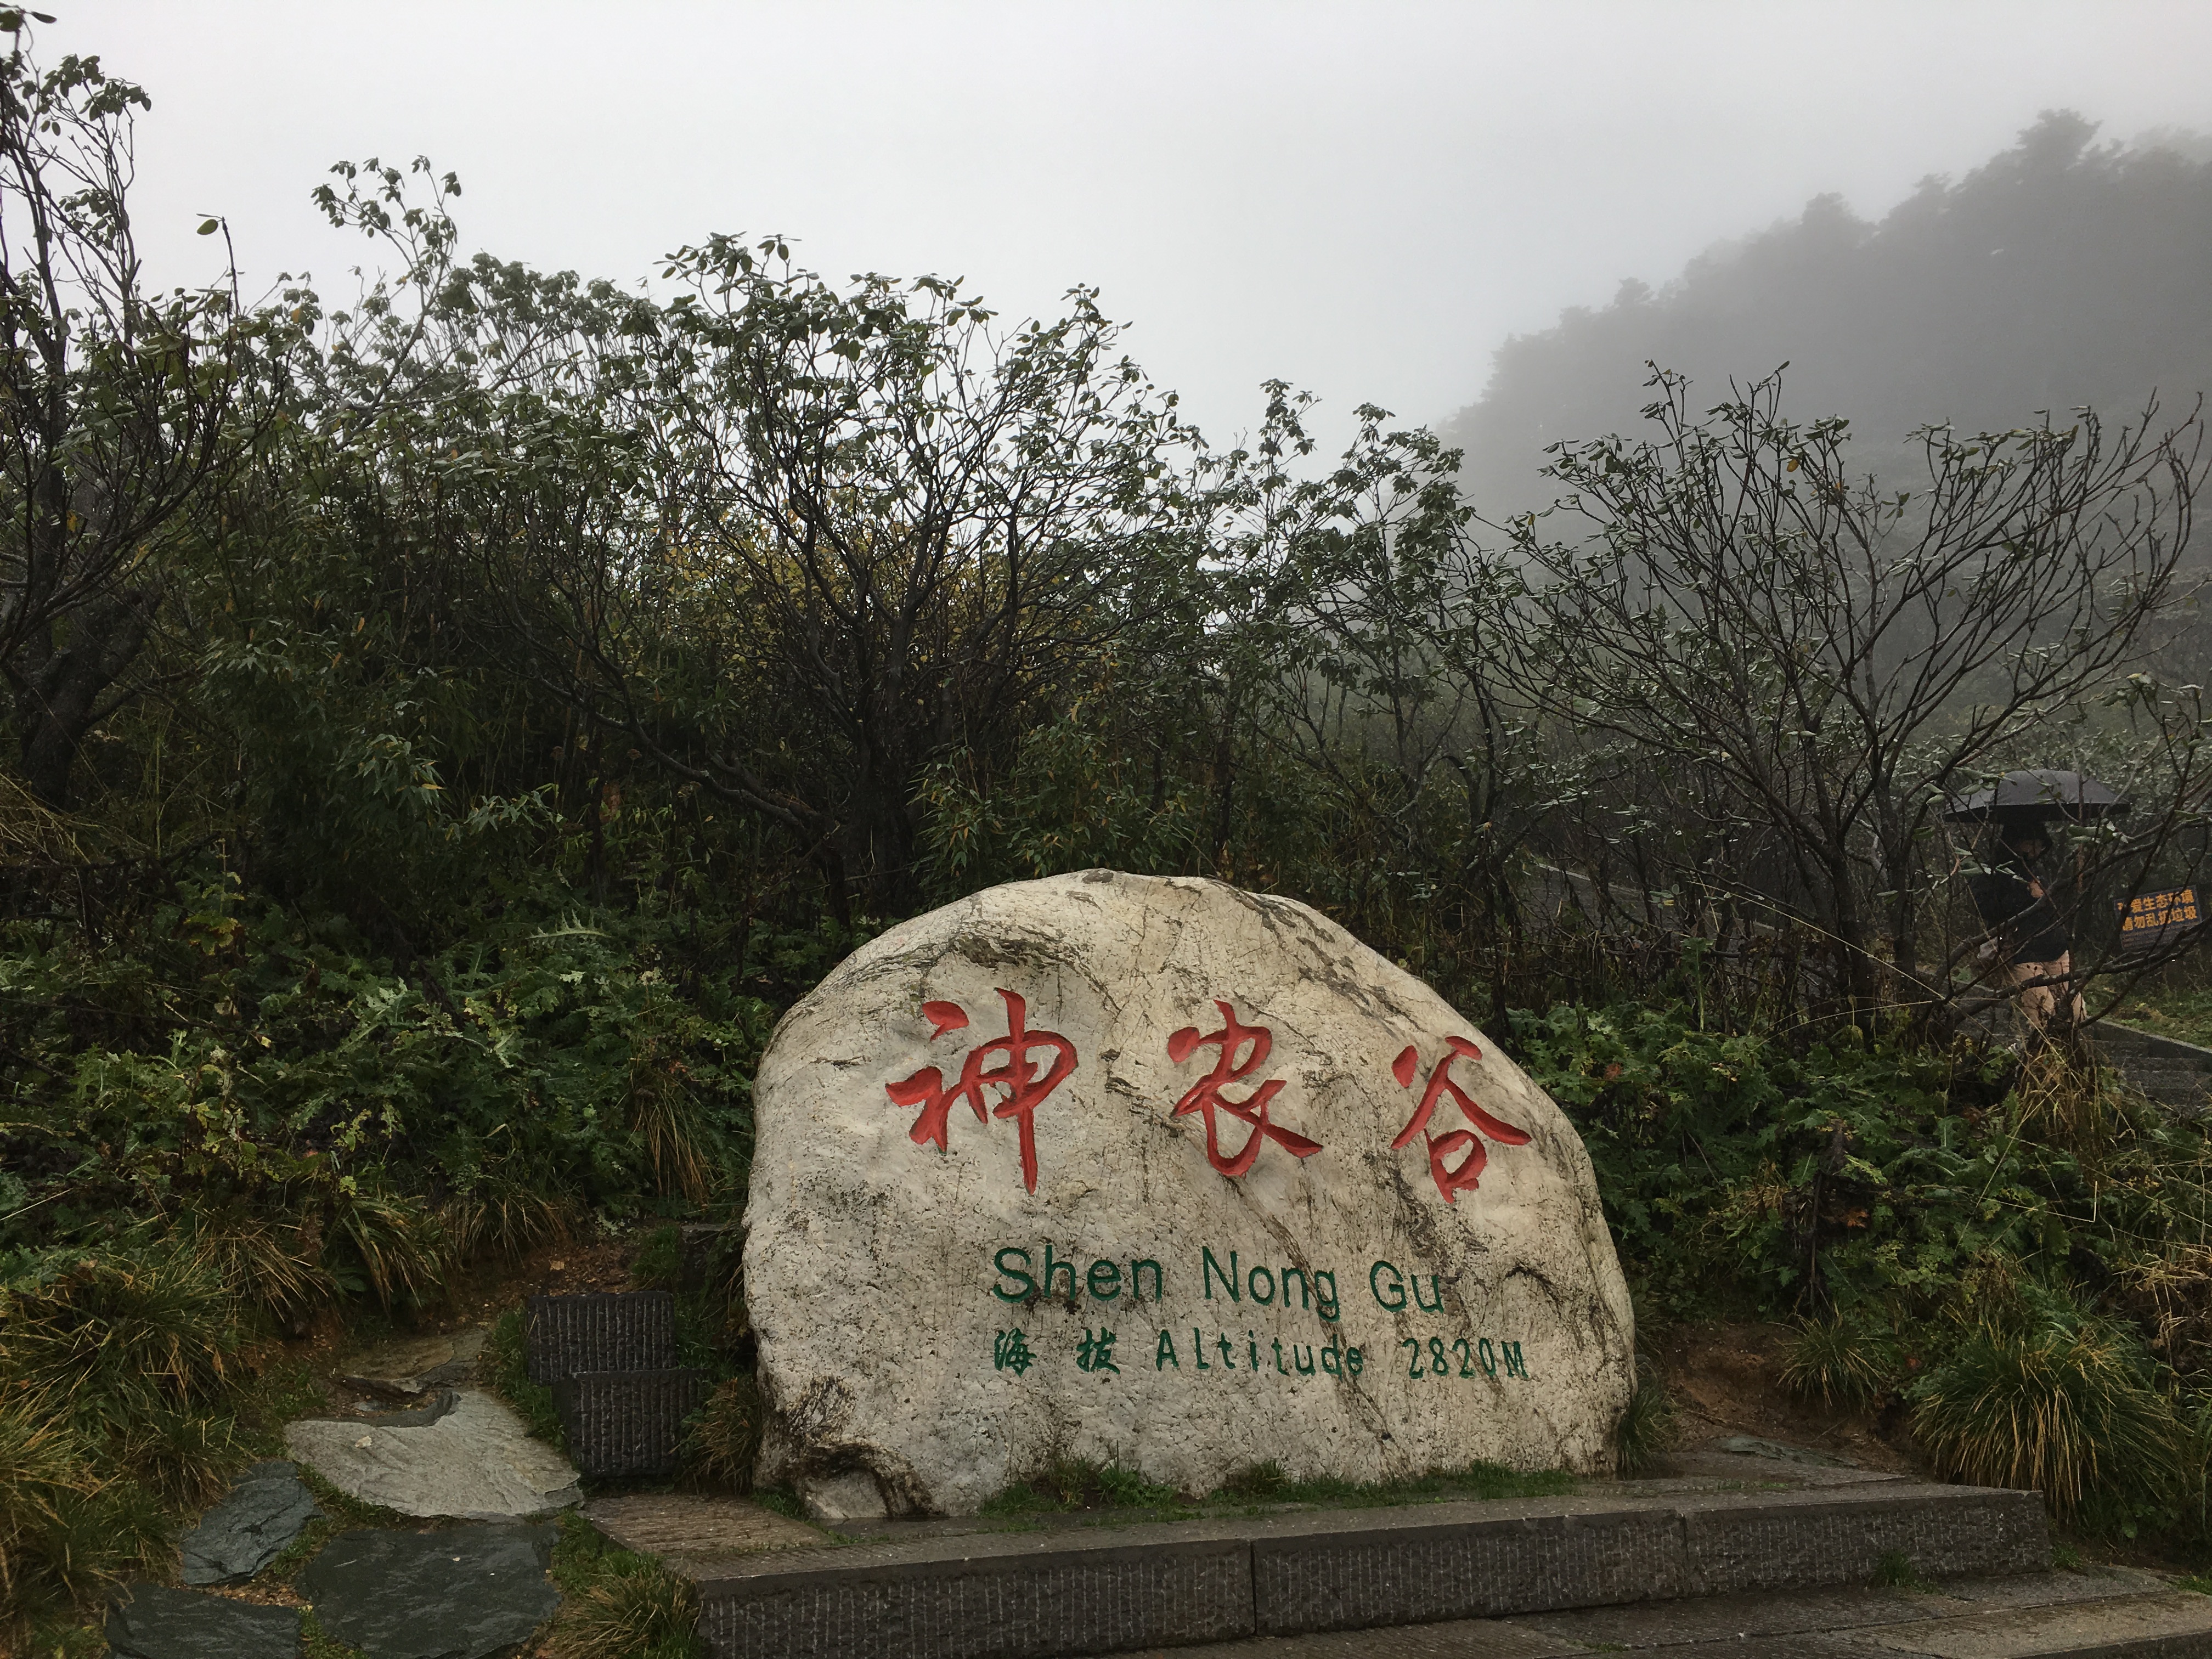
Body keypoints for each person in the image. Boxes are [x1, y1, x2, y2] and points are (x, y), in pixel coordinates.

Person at [1967, 820, 2086, 1037]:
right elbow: (1984, 908)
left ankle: (2069, 1063)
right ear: (2016, 844)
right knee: (2044, 1016)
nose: (2036, 850)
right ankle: (2040, 1063)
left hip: (2056, 950)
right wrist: (2025, 895)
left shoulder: (2037, 870)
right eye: (2031, 844)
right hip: (2021, 953)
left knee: (2078, 1014)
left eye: (2039, 845)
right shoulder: (1991, 872)